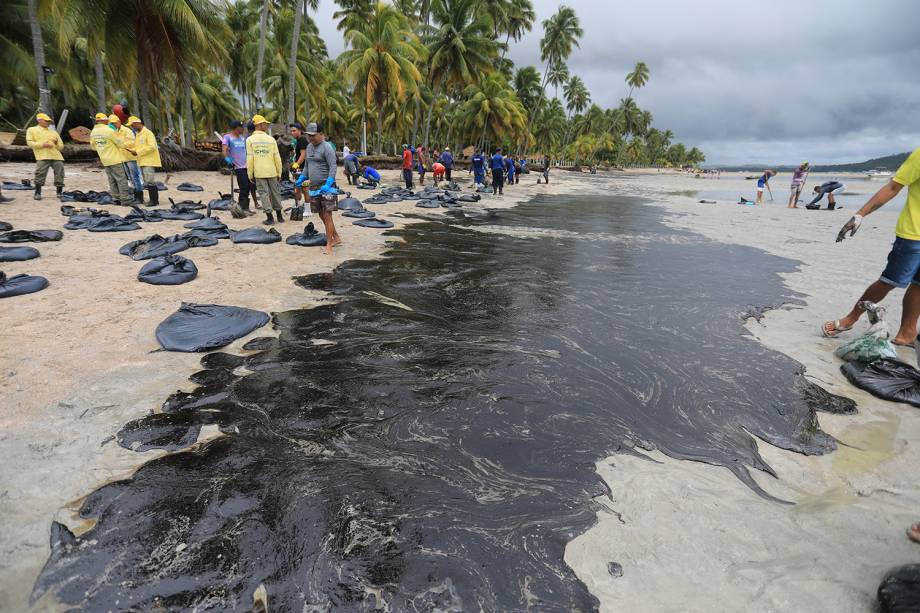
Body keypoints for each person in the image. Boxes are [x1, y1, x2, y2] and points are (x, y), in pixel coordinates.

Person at [822, 147, 920, 344]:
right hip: (914, 234)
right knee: (888, 281)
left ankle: (907, 334)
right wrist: (860, 214)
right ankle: (851, 318)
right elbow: (893, 187)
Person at [296, 122, 341, 255]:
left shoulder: (327, 148)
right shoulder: (309, 147)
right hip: (314, 187)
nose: (311, 138)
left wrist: (329, 183)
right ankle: (336, 237)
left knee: (327, 215)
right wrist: (302, 178)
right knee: (321, 214)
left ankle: (329, 244)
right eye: (309, 136)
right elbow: (307, 167)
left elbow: (333, 166)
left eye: (313, 136)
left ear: (322, 134)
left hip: (327, 186)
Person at [246, 115, 284, 225]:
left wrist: (250, 174)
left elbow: (250, 158)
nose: (266, 125)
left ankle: (270, 218)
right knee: (275, 193)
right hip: (272, 171)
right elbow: (277, 158)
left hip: (259, 172)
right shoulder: (271, 139)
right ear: (259, 125)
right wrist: (279, 172)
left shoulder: (250, 140)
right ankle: (280, 216)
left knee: (264, 194)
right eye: (265, 123)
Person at [90, 113, 134, 206]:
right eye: (107, 120)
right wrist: (129, 147)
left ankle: (116, 199)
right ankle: (125, 200)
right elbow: (119, 143)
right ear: (104, 120)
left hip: (105, 160)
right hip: (114, 159)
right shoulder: (108, 130)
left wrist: (103, 147)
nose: (108, 121)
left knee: (112, 180)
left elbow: (93, 147)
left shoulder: (93, 132)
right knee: (121, 179)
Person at [26, 112, 65, 201]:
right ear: (39, 120)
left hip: (56, 156)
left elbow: (61, 146)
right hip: (42, 156)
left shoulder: (53, 132)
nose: (48, 122)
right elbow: (30, 142)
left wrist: (55, 144)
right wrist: (42, 145)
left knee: (60, 173)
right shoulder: (32, 130)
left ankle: (59, 192)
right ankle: (37, 193)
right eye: (46, 120)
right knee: (40, 173)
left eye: (49, 121)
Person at [222, 120, 258, 214]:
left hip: (248, 166)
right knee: (244, 187)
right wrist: (228, 160)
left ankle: (245, 208)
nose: (243, 129)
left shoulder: (243, 138)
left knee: (250, 186)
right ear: (237, 128)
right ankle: (242, 208)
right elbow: (224, 149)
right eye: (242, 127)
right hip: (238, 166)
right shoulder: (227, 137)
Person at [130, 116, 162, 206]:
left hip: (149, 161)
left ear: (137, 123)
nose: (132, 127)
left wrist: (138, 152)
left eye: (133, 125)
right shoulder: (138, 134)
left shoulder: (148, 133)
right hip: (142, 160)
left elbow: (152, 146)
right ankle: (152, 200)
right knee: (147, 181)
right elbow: (139, 147)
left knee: (150, 180)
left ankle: (154, 201)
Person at [117, 115, 144, 203]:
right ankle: (135, 195)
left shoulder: (127, 131)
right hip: (123, 157)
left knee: (135, 177)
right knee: (130, 177)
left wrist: (122, 144)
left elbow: (132, 142)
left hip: (131, 157)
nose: (131, 127)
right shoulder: (116, 131)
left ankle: (139, 198)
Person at [289, 123, 309, 205]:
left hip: (303, 168)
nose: (292, 132)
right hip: (299, 168)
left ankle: (308, 209)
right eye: (291, 131)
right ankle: (296, 206)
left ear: (300, 131)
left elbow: (304, 154)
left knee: (304, 188)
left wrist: (296, 164)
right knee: (298, 188)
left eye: (294, 131)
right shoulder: (298, 140)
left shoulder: (302, 140)